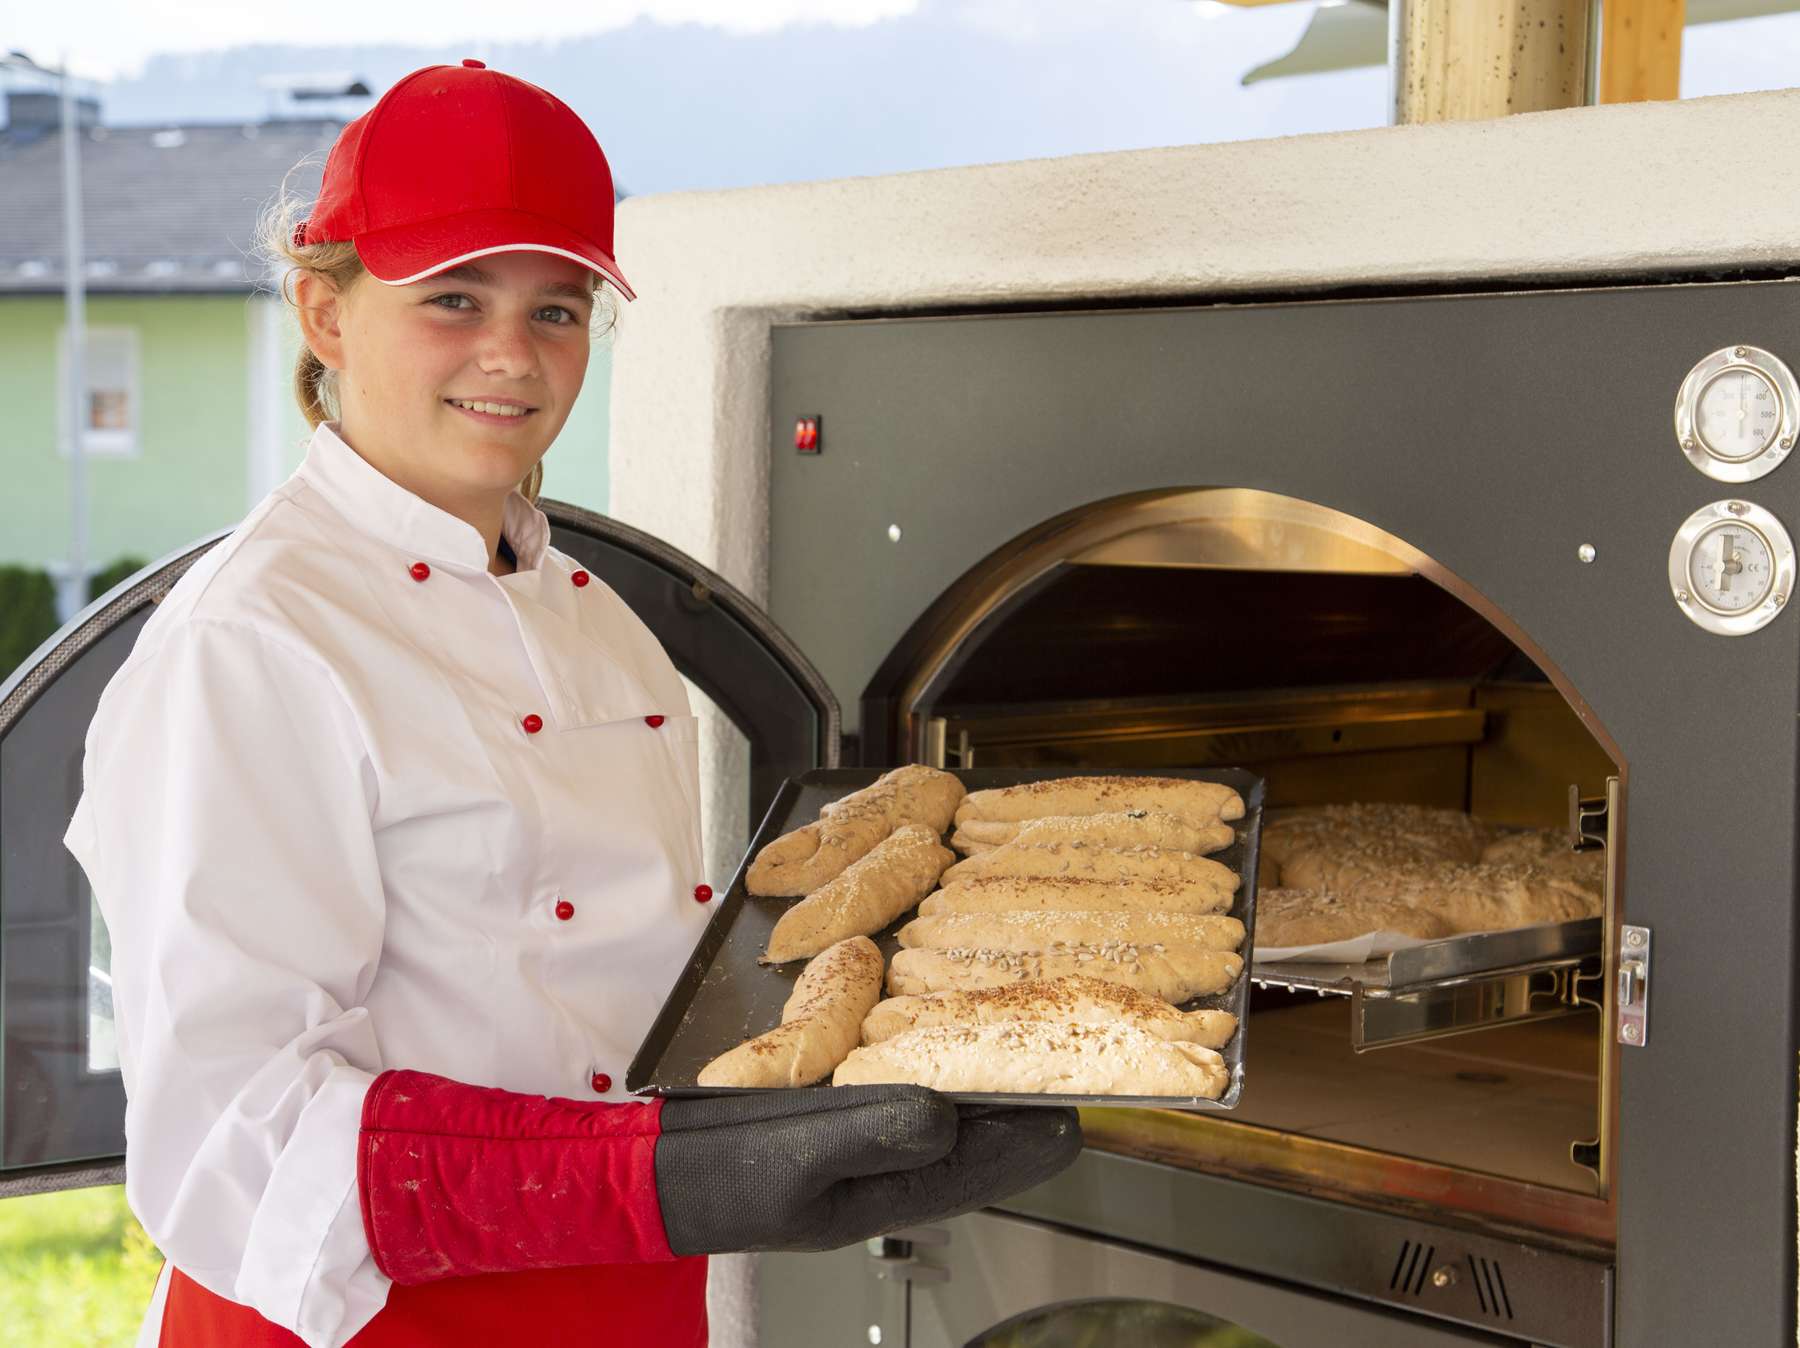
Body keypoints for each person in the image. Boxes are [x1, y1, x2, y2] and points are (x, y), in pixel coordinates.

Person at [61, 60, 1080, 1348]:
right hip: (378, 1320)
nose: (513, 355)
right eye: (453, 297)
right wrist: (661, 1173)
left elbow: (607, 971)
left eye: (558, 308)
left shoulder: (590, 608)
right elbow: (239, 1145)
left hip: (628, 1290)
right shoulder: (251, 643)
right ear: (324, 311)